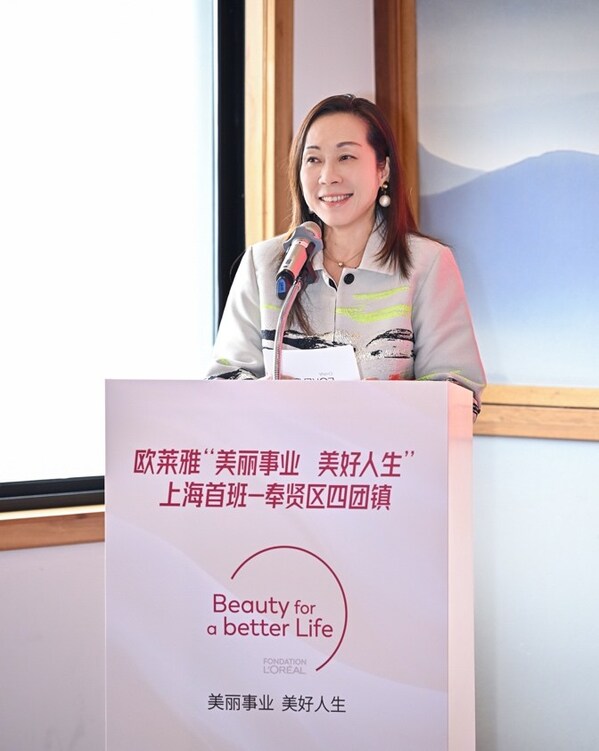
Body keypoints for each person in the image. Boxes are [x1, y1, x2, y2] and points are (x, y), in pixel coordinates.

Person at [205, 94, 486, 417]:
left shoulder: (427, 263)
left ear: (383, 169)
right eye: (313, 159)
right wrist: (271, 397)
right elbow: (223, 380)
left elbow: (460, 396)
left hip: (386, 449)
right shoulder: (263, 264)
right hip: (283, 448)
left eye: (346, 157)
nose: (328, 176)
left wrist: (383, 403)